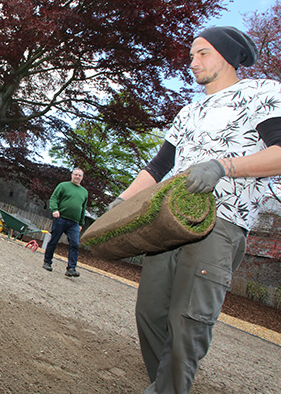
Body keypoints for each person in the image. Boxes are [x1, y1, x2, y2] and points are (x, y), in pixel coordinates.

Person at [109, 26, 281, 393]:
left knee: (188, 321)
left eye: (202, 53)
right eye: (190, 56)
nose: (193, 62)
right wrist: (122, 203)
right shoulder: (188, 112)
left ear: (229, 56)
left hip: (220, 223)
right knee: (151, 313)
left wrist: (224, 166)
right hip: (168, 222)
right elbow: (157, 168)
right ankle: (166, 386)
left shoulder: (262, 93)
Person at [42, 168, 88, 277]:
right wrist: (54, 209)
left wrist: (81, 223)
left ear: (82, 177)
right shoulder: (63, 186)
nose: (77, 177)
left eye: (79, 175)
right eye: (75, 174)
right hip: (61, 218)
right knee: (54, 240)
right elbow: (54, 198)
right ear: (72, 175)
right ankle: (47, 262)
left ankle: (71, 268)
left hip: (74, 223)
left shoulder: (84, 192)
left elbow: (83, 208)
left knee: (75, 244)